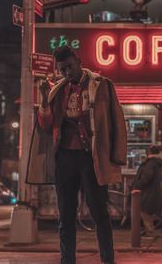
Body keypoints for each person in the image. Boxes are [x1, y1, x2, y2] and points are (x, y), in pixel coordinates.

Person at [26, 45, 127, 264]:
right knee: (65, 216)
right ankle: (67, 260)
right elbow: (45, 125)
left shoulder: (101, 85)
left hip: (91, 158)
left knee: (100, 214)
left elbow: (116, 120)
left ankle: (108, 260)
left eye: (70, 67)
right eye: (62, 70)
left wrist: (117, 156)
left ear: (79, 62)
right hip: (64, 159)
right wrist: (43, 100)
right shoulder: (57, 91)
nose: (67, 73)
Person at [132, 145, 162, 237]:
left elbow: (147, 177)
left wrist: (137, 184)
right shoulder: (156, 163)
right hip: (152, 190)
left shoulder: (150, 163)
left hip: (147, 191)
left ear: (149, 153)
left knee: (145, 211)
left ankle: (149, 232)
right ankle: (148, 230)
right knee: (147, 211)